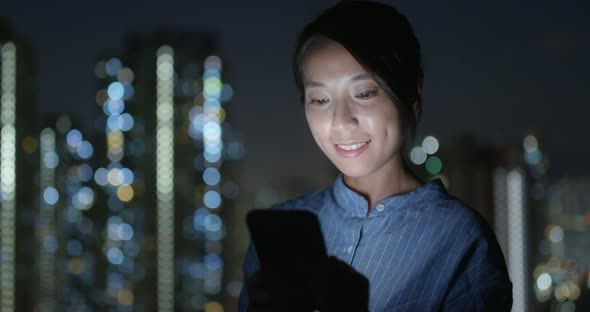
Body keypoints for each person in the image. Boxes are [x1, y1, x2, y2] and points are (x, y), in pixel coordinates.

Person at [239, 1, 513, 311]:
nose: (341, 121)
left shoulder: (460, 239)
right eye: (319, 99)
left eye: (364, 93)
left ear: (411, 92)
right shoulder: (277, 240)